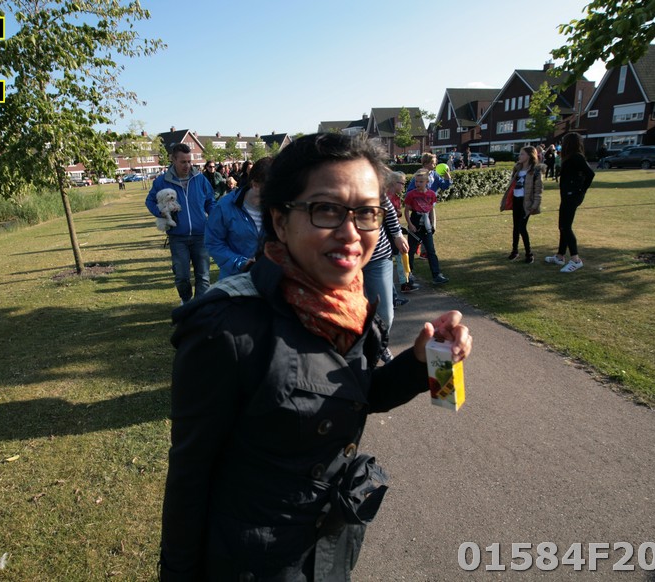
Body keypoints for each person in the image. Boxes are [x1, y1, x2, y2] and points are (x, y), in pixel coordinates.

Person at [159, 133, 473, 581]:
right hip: (254, 563)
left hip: (328, 545)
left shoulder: (351, 304)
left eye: (366, 212)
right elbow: (189, 477)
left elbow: (356, 395)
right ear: (280, 220)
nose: (351, 233)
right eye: (326, 209)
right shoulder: (225, 330)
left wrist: (420, 361)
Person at [145, 143, 215, 304]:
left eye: (189, 161)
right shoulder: (162, 181)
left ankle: (199, 306)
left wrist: (214, 216)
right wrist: (161, 212)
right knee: (182, 275)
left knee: (203, 275)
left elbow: (210, 201)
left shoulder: (200, 179)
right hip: (177, 236)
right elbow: (150, 201)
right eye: (183, 162)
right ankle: (186, 300)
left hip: (201, 234)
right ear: (173, 160)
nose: (187, 165)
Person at [363, 170, 410, 362]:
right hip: (346, 259)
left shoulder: (373, 186)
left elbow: (388, 210)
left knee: (385, 313)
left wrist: (397, 234)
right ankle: (360, 352)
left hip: (378, 257)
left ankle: (378, 345)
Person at [205, 157, 272, 279]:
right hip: (235, 278)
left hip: (271, 279)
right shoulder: (224, 207)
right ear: (255, 184)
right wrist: (241, 263)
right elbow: (213, 242)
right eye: (272, 186)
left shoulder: (280, 207)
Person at [546, 132, 595, 273]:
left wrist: (581, 190)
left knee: (566, 226)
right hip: (567, 195)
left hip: (572, 196)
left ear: (569, 143)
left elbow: (590, 174)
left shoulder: (576, 157)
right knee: (562, 226)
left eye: (564, 141)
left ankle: (576, 260)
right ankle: (560, 256)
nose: (562, 144)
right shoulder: (570, 157)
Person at [404, 169, 449, 284]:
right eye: (416, 181)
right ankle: (409, 275)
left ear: (427, 182)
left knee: (431, 250)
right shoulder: (411, 194)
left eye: (421, 182)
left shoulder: (431, 194)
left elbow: (432, 210)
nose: (418, 184)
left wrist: (433, 224)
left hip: (427, 223)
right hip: (415, 221)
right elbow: (406, 210)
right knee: (411, 250)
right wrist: (410, 225)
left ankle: (436, 275)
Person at [500, 146, 543, 263]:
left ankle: (529, 254)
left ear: (529, 156)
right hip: (516, 201)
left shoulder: (535, 171)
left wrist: (535, 205)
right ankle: (514, 251)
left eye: (522, 154)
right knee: (516, 227)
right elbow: (512, 185)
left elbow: (538, 190)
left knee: (522, 227)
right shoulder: (517, 169)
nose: (520, 156)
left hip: (526, 203)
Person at [384, 170, 418, 296]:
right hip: (388, 231)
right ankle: (402, 284)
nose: (403, 186)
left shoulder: (396, 198)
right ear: (393, 183)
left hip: (395, 230)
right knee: (394, 256)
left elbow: (397, 212)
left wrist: (397, 213)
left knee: (401, 255)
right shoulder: (386, 197)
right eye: (402, 183)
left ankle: (405, 282)